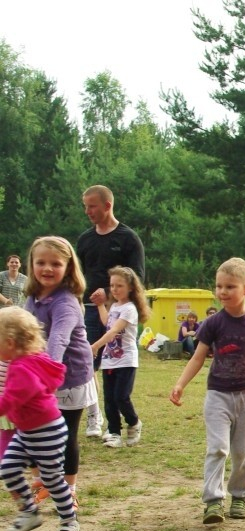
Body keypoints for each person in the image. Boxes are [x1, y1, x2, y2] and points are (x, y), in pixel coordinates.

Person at [169, 258, 245, 525]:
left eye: (230, 286)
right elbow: (197, 358)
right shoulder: (213, 323)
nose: (223, 292)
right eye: (219, 286)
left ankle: (240, 495)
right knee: (218, 448)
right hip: (218, 395)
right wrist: (180, 384)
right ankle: (213, 501)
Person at [23, 237, 94, 510]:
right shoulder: (32, 297)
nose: (47, 268)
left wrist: (44, 377)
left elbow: (58, 341)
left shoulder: (65, 302)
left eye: (56, 263)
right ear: (32, 264)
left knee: (66, 436)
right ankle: (46, 483)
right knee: (31, 433)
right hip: (39, 378)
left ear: (68, 267)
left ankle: (69, 490)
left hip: (69, 379)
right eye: (41, 262)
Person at [0, 307, 79, 531]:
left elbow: (11, 399)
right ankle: (29, 512)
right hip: (27, 431)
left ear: (11, 343)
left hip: (47, 431)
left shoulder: (23, 369)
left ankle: (69, 521)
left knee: (52, 479)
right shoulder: (26, 361)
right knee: (8, 469)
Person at [76, 185, 145, 440]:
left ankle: (126, 420)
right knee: (87, 364)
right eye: (85, 206)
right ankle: (96, 416)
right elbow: (79, 275)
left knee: (116, 367)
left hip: (120, 313)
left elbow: (137, 277)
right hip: (91, 311)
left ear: (107, 206)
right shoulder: (84, 240)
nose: (87, 211)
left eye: (92, 206)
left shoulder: (128, 238)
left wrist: (108, 292)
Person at [90, 266, 149, 449]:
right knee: (109, 399)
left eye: (119, 286)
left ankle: (134, 422)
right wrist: (101, 305)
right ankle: (114, 432)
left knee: (121, 397)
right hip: (110, 360)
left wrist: (96, 346)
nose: (114, 289)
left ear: (130, 287)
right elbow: (108, 322)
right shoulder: (115, 306)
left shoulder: (130, 309)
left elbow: (115, 330)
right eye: (112, 286)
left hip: (126, 360)